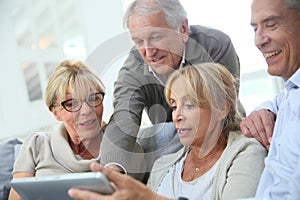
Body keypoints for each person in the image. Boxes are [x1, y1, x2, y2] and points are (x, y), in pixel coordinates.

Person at [69, 63, 266, 200]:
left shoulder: (246, 153)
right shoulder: (163, 166)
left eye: (189, 105)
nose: (177, 116)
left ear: (222, 108)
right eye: (173, 106)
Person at [101, 0, 245, 180]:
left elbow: (223, 110)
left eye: (156, 37)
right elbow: (123, 119)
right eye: (138, 41)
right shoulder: (133, 69)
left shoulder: (214, 45)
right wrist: (114, 167)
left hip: (218, 130)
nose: (148, 51)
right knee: (161, 135)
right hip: (170, 144)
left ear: (183, 29)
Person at [9, 60, 106, 200]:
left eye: (93, 98)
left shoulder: (121, 145)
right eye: (71, 103)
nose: (86, 110)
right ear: (55, 112)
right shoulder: (37, 144)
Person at [242, 0, 300, 198]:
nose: (258, 41)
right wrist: (265, 109)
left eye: (271, 24)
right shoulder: (289, 93)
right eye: (255, 27)